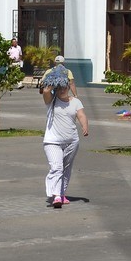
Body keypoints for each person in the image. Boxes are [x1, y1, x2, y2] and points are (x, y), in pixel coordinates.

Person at [41, 68, 88, 207]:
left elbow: (81, 115)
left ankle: (61, 193)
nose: (62, 90)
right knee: (57, 167)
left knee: (66, 168)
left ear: (68, 87)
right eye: (59, 87)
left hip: (71, 141)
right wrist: (53, 81)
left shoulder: (76, 102)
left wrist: (84, 126)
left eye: (64, 87)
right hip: (52, 141)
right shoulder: (51, 100)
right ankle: (56, 196)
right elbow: (46, 92)